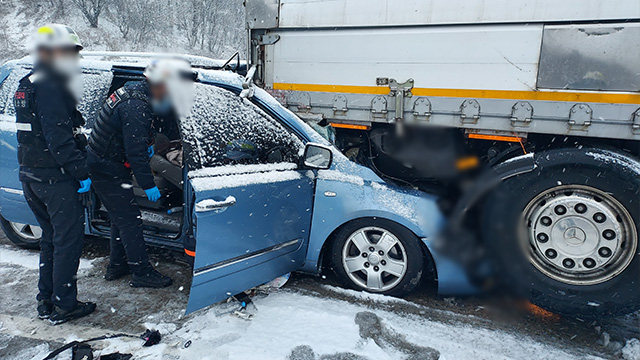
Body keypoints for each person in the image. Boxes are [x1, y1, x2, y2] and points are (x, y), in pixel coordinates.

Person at [87, 58, 194, 288]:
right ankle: (140, 272)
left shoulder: (134, 92)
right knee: (131, 221)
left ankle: (117, 265)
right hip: (106, 167)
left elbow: (133, 142)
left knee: (120, 217)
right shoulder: (136, 106)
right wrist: (148, 184)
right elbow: (135, 153)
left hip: (108, 162)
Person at [15, 24, 96, 325]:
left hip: (33, 176)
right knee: (68, 241)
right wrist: (80, 172)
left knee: (51, 239)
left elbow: (37, 133)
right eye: (70, 52)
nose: (74, 59)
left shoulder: (28, 82)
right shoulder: (51, 86)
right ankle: (64, 305)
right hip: (55, 178)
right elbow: (58, 140)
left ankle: (46, 301)